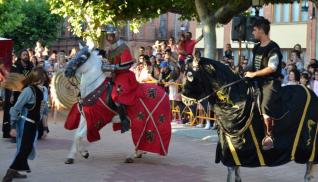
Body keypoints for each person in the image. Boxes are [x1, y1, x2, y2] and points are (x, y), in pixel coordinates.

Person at [2, 68, 48, 182]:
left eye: (43, 79)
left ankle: (14, 171)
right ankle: (10, 173)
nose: (42, 81)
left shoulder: (43, 90)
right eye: (40, 79)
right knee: (24, 150)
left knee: (26, 150)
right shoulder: (28, 91)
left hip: (34, 126)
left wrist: (45, 127)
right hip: (26, 125)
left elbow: (43, 111)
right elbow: (15, 108)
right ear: (35, 78)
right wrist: (13, 126)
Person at [244, 17, 283, 150]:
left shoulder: (273, 47)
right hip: (255, 81)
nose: (253, 33)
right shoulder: (256, 47)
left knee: (266, 105)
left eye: (254, 30)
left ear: (261, 30)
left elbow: (272, 67)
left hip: (270, 83)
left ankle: (269, 135)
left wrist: (254, 74)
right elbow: (250, 65)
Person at [101, 24, 136, 133]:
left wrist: (112, 67)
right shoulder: (110, 49)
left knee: (117, 94)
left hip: (124, 76)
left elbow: (127, 64)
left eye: (111, 36)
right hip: (114, 76)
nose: (109, 38)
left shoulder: (123, 47)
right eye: (108, 36)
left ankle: (124, 119)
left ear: (115, 35)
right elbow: (107, 60)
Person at [2, 50, 33, 139]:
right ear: (20, 56)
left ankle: (24, 133)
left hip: (27, 93)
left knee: (26, 113)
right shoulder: (15, 66)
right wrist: (11, 95)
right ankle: (14, 133)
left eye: (27, 54)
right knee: (16, 112)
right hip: (16, 93)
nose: (26, 56)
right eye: (24, 55)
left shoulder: (31, 66)